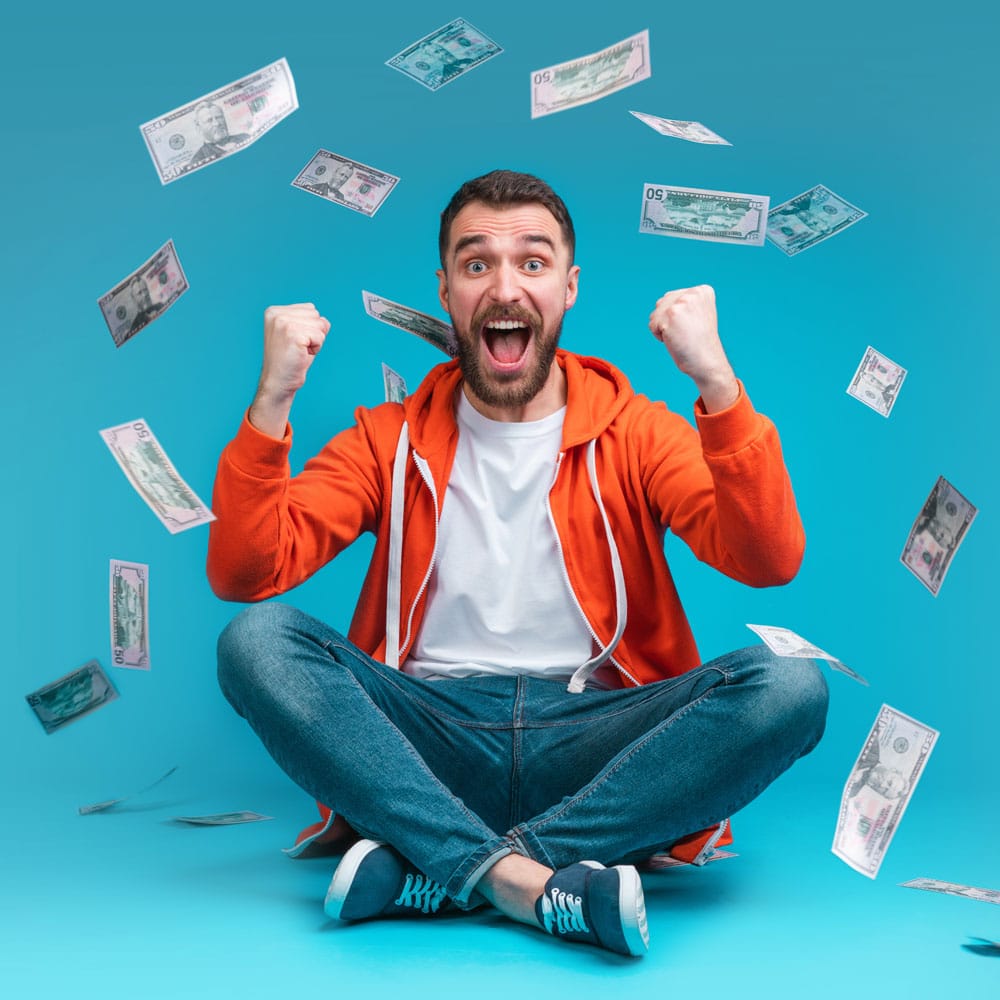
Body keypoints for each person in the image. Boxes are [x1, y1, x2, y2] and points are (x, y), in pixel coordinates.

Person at [208, 169, 829, 958]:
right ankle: (533, 883)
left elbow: (767, 560)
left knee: (791, 686)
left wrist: (715, 383)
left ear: (568, 289)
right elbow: (242, 575)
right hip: (429, 737)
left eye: (531, 263)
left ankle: (451, 868)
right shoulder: (386, 439)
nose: (505, 287)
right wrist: (271, 402)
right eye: (477, 265)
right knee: (255, 639)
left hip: (597, 745)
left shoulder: (637, 432)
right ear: (446, 291)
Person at [187, 101, 249, 167]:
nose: (217, 123)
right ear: (199, 128)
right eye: (209, 120)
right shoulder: (197, 161)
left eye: (219, 117)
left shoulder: (245, 137)